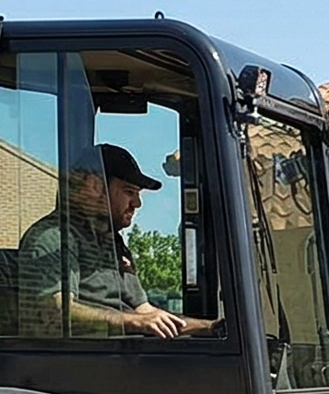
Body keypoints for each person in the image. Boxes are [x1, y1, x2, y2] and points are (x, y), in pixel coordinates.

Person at [15, 143, 208, 338]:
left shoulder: (112, 244)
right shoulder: (55, 238)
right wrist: (133, 322)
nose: (137, 204)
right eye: (129, 192)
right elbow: (55, 312)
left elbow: (148, 313)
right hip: (83, 362)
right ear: (94, 186)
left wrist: (210, 327)